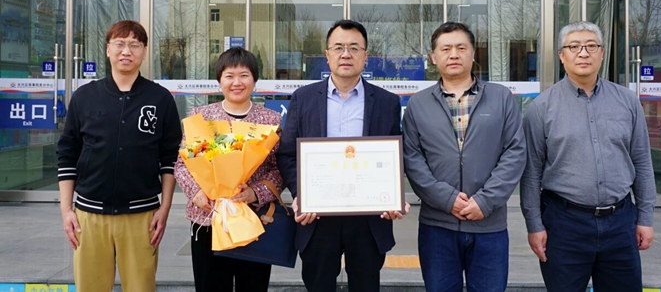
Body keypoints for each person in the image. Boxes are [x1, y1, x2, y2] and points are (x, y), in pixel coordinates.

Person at [520, 21, 656, 292]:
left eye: (591, 46)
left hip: (620, 222)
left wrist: (645, 217)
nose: (583, 53)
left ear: (602, 53)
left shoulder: (627, 101)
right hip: (564, 224)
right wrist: (534, 225)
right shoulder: (541, 108)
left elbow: (642, 161)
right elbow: (531, 173)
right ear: (562, 55)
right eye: (574, 47)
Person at [277, 19, 405, 292]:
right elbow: (287, 155)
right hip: (317, 217)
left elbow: (395, 156)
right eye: (338, 47)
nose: (346, 54)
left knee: (366, 286)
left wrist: (393, 195)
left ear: (366, 56)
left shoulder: (387, 102)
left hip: (369, 218)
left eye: (354, 48)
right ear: (327, 55)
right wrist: (302, 195)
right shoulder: (303, 98)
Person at [56, 20, 182, 292]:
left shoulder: (160, 98)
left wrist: (165, 208)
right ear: (108, 50)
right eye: (120, 44)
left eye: (134, 45)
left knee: (140, 287)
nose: (126, 51)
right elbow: (67, 154)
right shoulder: (85, 96)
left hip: (141, 215)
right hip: (89, 215)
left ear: (144, 51)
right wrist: (66, 210)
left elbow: (170, 158)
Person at [402, 22, 526, 292]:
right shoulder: (418, 104)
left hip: (489, 226)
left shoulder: (501, 98)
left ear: (473, 53)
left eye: (461, 48)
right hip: (437, 227)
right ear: (433, 57)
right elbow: (412, 159)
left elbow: (515, 152)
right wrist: (446, 199)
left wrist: (485, 200)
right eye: (445, 49)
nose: (454, 54)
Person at [174, 47, 283, 292]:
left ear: (254, 80)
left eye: (244, 75)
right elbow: (182, 164)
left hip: (253, 219)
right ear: (219, 80)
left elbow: (278, 170)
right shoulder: (201, 117)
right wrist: (196, 192)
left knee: (253, 286)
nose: (237, 82)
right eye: (229, 76)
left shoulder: (271, 120)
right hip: (207, 219)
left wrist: (256, 193)